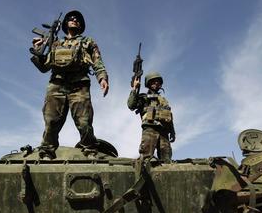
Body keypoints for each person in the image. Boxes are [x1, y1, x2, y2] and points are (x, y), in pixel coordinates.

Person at [31, 10, 109, 160]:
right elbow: (43, 67)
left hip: (79, 85)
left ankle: (90, 151)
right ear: (66, 24)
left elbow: (98, 62)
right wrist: (37, 50)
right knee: (51, 122)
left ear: (81, 26)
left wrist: (102, 78)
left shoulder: (88, 42)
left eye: (77, 19)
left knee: (84, 122)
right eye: (71, 18)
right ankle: (47, 152)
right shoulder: (55, 43)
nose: (74, 20)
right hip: (57, 85)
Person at [127, 72, 175, 162]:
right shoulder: (144, 98)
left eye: (158, 82)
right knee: (146, 159)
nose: (156, 83)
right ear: (148, 83)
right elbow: (131, 105)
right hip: (150, 129)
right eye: (153, 81)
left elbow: (169, 116)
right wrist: (134, 88)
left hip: (164, 132)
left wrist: (172, 131)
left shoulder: (163, 101)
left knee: (167, 160)